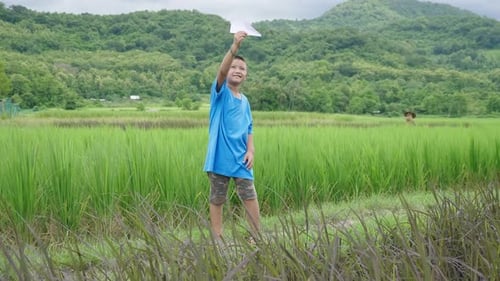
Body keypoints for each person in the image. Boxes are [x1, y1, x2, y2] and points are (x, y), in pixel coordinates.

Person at [203, 31, 260, 241]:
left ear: (246, 75)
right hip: (219, 158)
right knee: (218, 198)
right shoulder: (220, 93)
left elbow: (250, 127)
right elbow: (221, 70)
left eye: (242, 68)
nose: (237, 70)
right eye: (234, 67)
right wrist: (234, 47)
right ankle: (218, 238)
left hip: (241, 159)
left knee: (249, 195)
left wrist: (251, 149)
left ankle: (256, 236)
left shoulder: (245, 101)